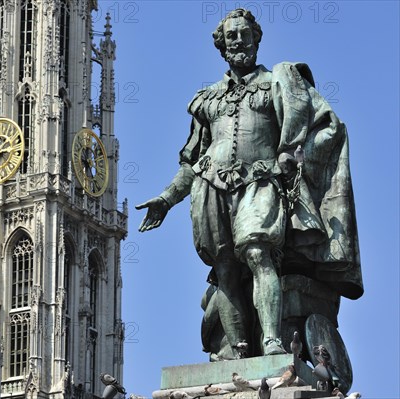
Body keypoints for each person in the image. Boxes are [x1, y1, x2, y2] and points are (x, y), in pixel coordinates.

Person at [136, 8, 362, 359]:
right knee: (224, 268)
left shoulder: (278, 82)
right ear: (222, 46)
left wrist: (293, 154)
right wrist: (167, 198)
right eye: (231, 36)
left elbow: (328, 126)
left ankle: (271, 340)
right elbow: (192, 162)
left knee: (258, 252)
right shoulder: (207, 98)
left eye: (245, 34)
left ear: (257, 38)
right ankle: (236, 349)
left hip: (261, 180)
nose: (238, 40)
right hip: (210, 188)